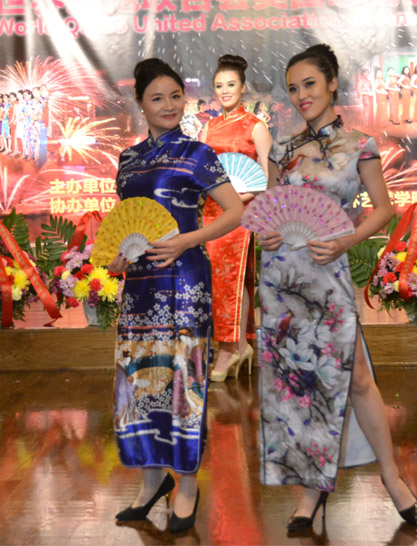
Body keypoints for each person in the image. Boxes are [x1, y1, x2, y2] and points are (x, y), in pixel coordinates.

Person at [257, 44, 417, 531]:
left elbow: (384, 209)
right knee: (301, 383)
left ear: (332, 83)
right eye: (293, 88)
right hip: (284, 278)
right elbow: (269, 210)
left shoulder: (360, 145)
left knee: (358, 379)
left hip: (329, 272)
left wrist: (347, 239)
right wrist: (268, 232)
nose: (301, 95)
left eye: (309, 84)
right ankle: (311, 493)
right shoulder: (282, 150)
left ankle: (392, 476)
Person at [108, 58, 243, 532]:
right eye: (157, 98)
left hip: (185, 280)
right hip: (139, 286)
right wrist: (118, 258)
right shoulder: (127, 160)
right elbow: (127, 224)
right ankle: (151, 482)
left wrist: (187, 240)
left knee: (185, 381)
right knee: (141, 381)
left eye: (175, 96)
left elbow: (235, 212)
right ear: (141, 105)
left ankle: (186, 483)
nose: (168, 105)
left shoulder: (198, 153)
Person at [199, 54, 272, 382]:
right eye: (219, 86)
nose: (225, 91)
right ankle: (239, 345)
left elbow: (264, 178)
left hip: (240, 212)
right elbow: (200, 172)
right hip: (210, 212)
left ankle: (228, 349)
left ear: (243, 88)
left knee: (231, 278)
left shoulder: (256, 127)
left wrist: (234, 200)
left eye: (231, 84)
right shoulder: (208, 127)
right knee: (216, 281)